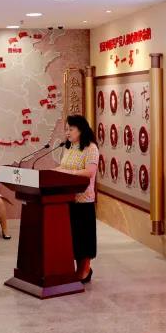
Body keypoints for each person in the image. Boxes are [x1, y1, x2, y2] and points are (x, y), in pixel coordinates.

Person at [55, 114, 101, 283]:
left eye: (71, 129)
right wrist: (54, 171)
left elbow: (89, 172)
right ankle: (75, 268)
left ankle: (85, 270)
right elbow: (63, 167)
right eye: (66, 129)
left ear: (81, 130)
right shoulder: (69, 147)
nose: (67, 132)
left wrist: (66, 173)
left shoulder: (91, 148)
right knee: (72, 237)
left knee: (83, 238)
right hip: (67, 198)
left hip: (83, 200)